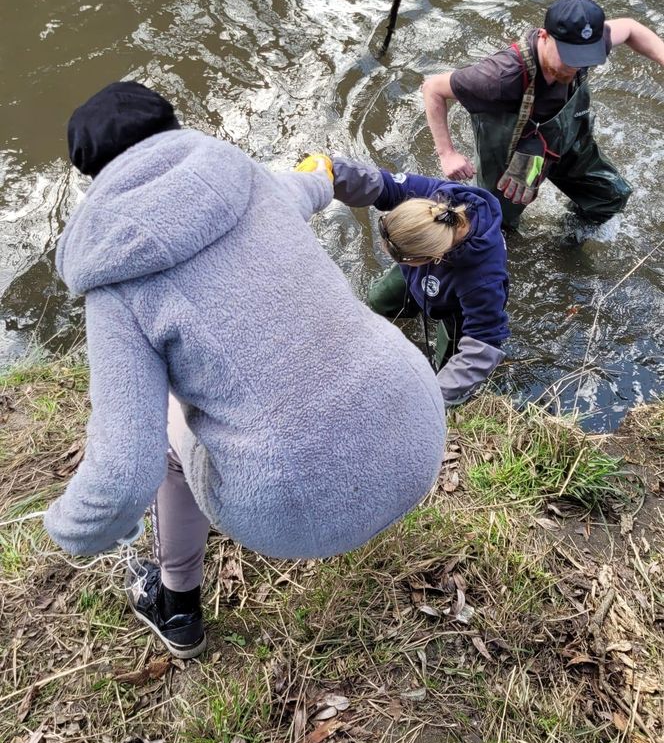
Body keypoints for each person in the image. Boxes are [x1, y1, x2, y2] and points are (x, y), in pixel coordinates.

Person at [43, 82, 446, 659]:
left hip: (298, 508)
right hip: (418, 425)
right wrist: (323, 169)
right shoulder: (249, 181)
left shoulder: (116, 281)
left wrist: (70, 529)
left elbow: (123, 474)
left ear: (93, 175)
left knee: (161, 435)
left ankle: (176, 605)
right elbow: (314, 182)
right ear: (174, 130)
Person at [421, 0, 664, 230]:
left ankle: (567, 239)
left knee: (609, 197)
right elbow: (433, 88)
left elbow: (631, 28)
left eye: (586, 57)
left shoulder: (587, 42)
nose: (577, 66)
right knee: (495, 223)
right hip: (514, 155)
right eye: (570, 58)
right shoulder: (500, 76)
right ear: (544, 36)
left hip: (566, 140)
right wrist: (447, 153)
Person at [330, 156, 509, 406]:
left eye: (398, 256)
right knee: (378, 301)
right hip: (415, 276)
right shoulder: (430, 203)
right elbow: (383, 184)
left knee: (446, 367)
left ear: (434, 257)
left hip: (452, 309)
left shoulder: (481, 280)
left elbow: (484, 341)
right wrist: (330, 173)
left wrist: (430, 399)